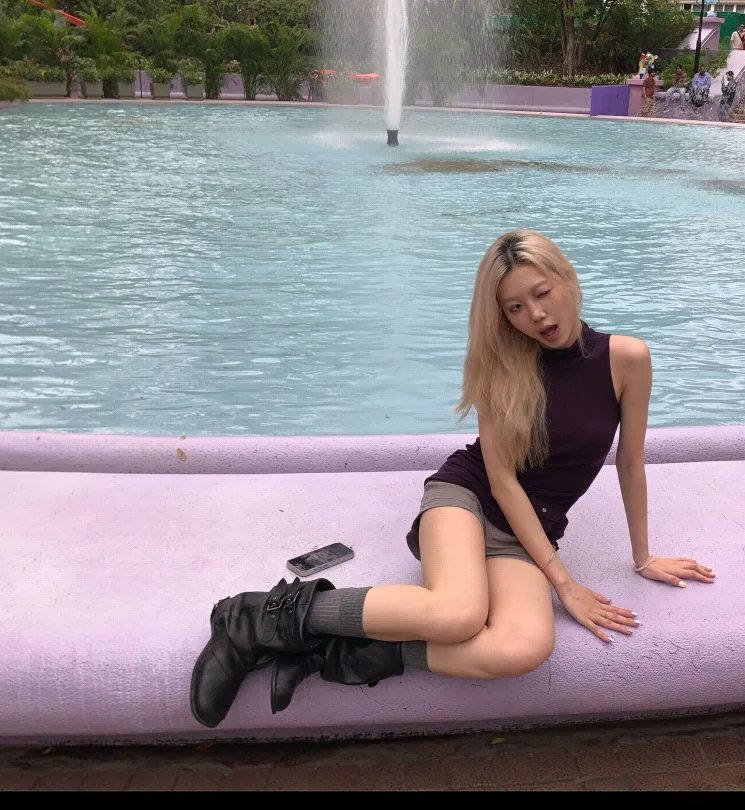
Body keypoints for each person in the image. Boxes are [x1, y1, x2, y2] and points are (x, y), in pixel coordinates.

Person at [187, 230, 717, 729]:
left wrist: (643, 556)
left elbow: (630, 461)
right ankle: (252, 617)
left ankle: (330, 651)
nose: (535, 315)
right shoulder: (503, 365)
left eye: (542, 293)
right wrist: (566, 584)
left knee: (522, 648)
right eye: (515, 307)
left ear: (568, 279)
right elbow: (501, 480)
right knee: (458, 614)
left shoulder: (627, 359)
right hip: (468, 497)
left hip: (527, 533)